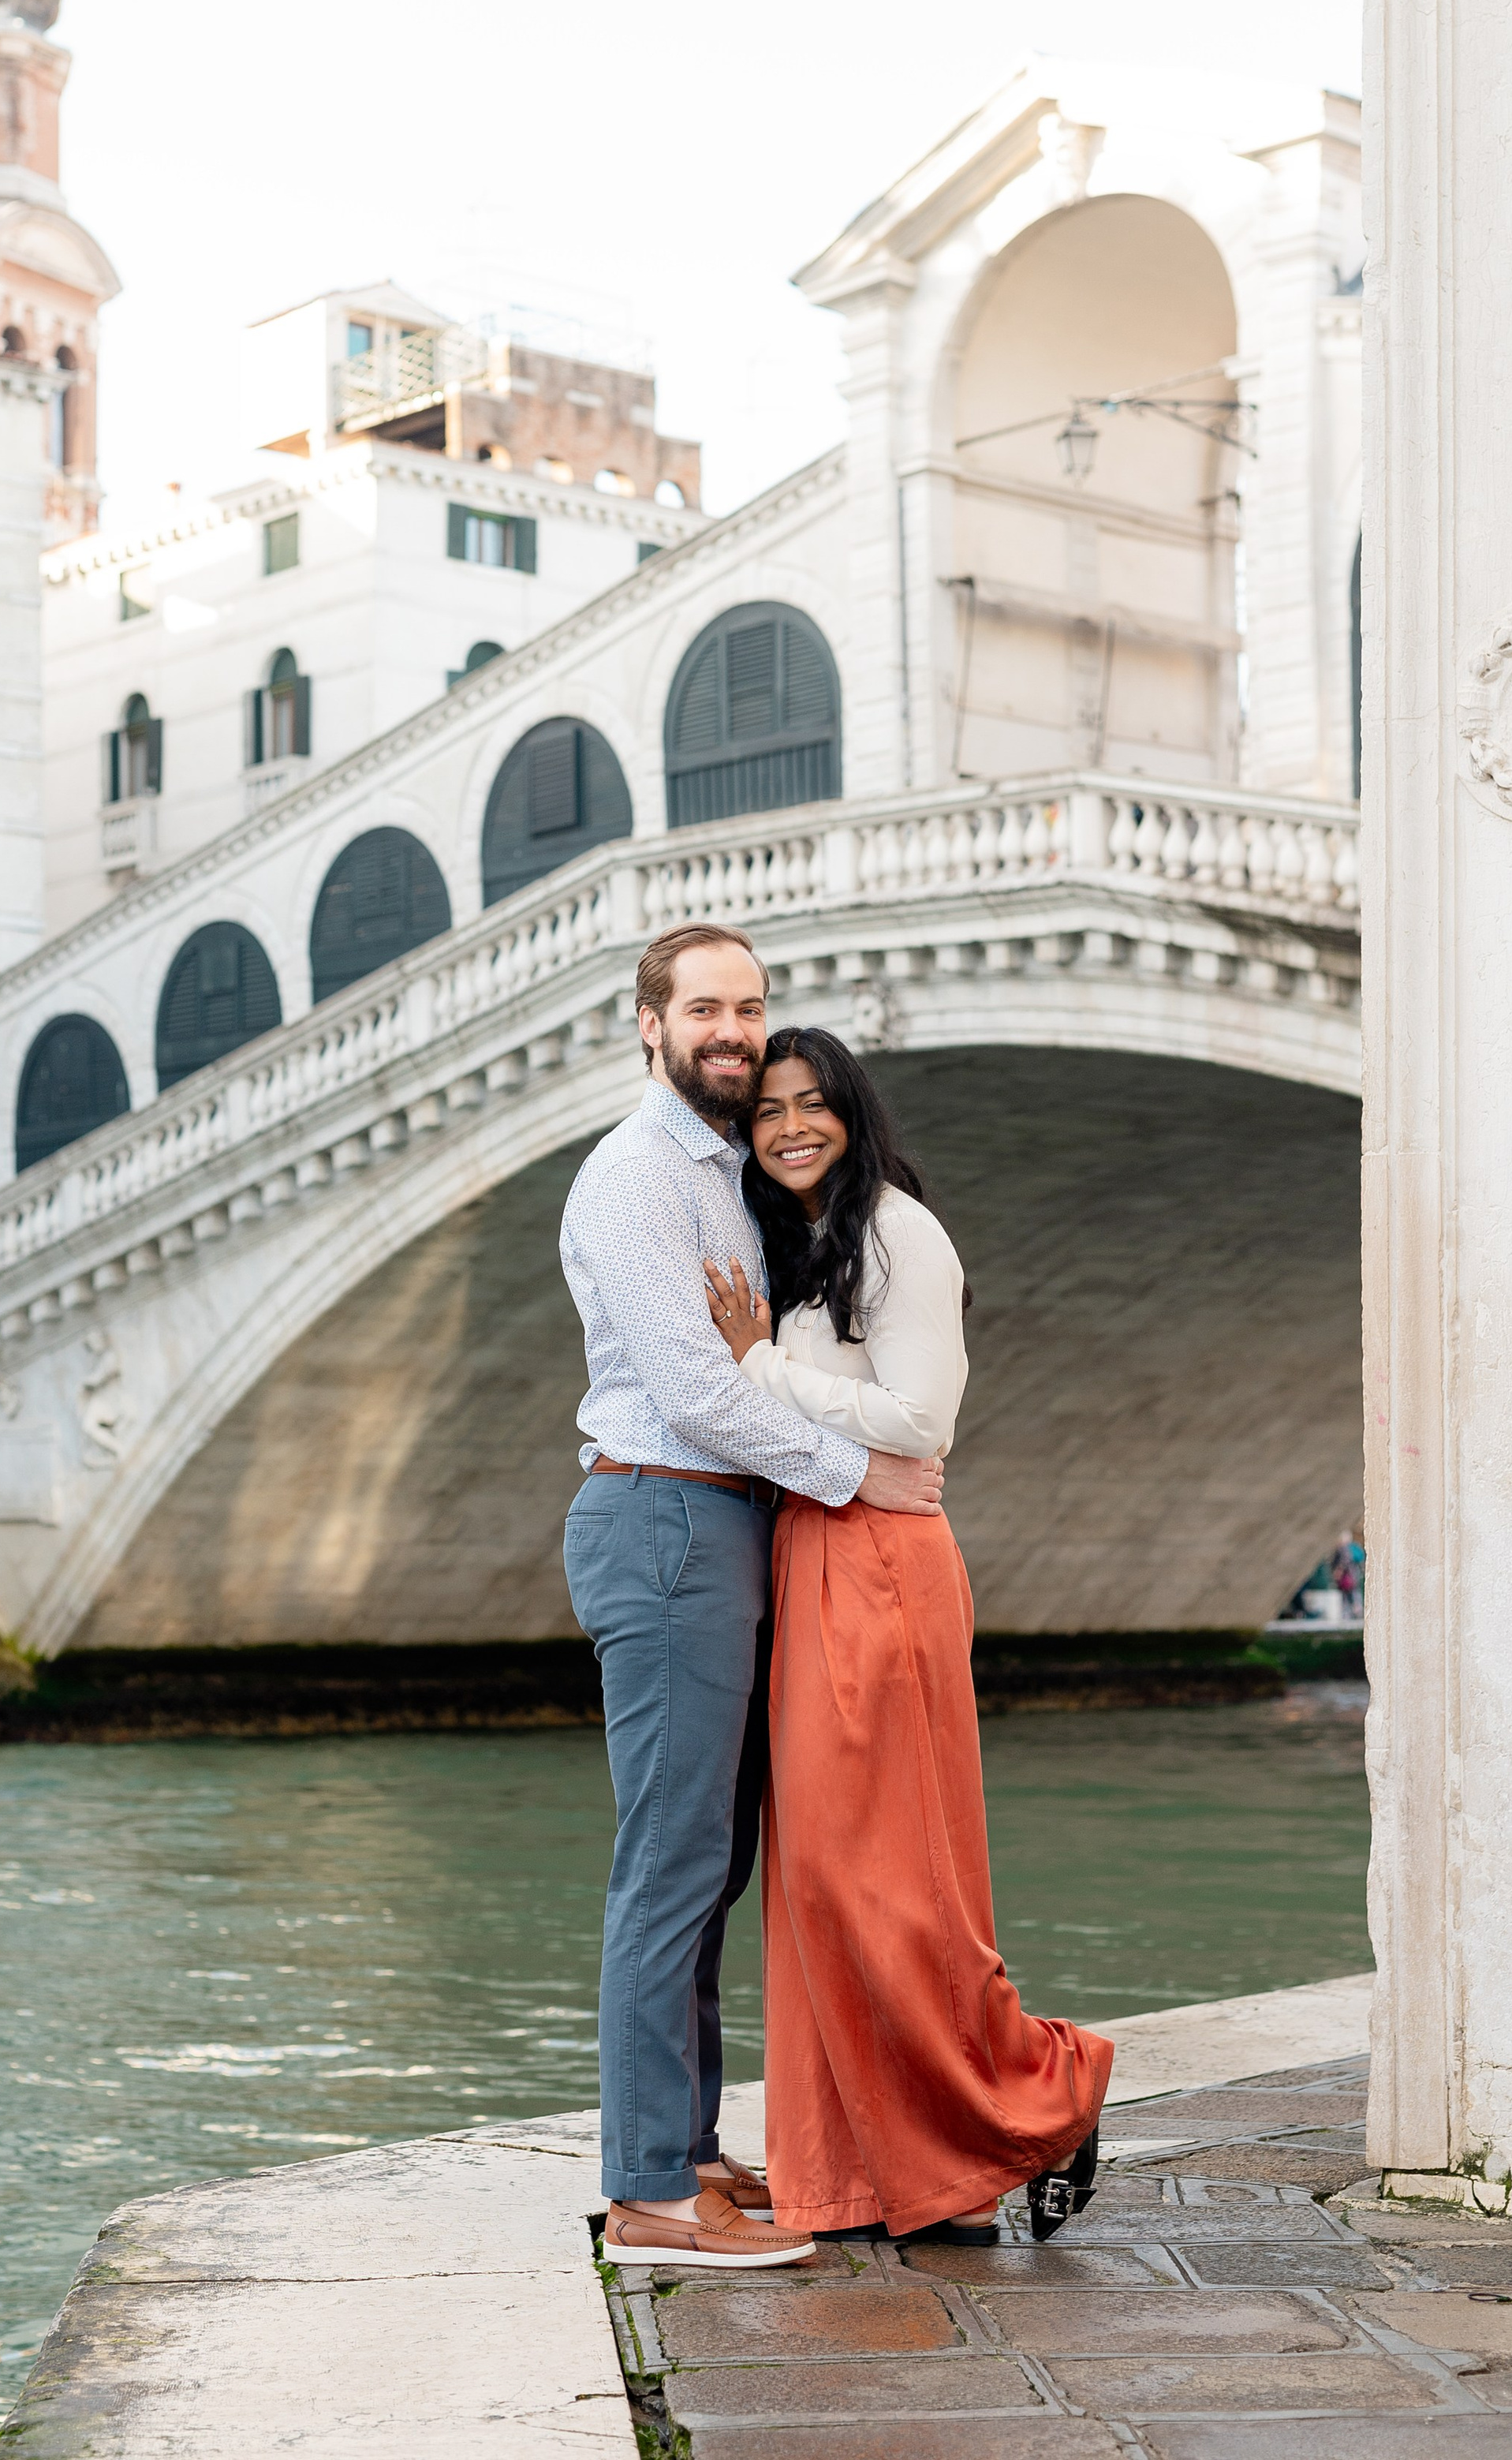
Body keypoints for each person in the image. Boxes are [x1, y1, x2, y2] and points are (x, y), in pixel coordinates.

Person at [560, 925, 948, 2271]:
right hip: (665, 1516)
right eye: (706, 1010)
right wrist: (859, 1474)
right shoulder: (633, 1181)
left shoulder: (727, 1174)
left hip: (724, 1529)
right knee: (669, 1865)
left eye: (752, 1007)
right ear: (649, 1027)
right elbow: (694, 1391)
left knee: (712, 1865)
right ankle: (651, 2193)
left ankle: (689, 2143)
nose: (734, 1032)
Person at [702, 1025, 1112, 2244]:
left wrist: (762, 1367)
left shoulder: (895, 1232)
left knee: (889, 1884)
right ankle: (870, 2174)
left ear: (854, 1110)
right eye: (769, 1109)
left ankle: (1043, 2093)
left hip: (880, 1568)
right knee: (822, 1887)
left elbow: (920, 1421)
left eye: (813, 1103)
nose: (789, 1126)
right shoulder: (808, 1237)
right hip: (815, 1551)